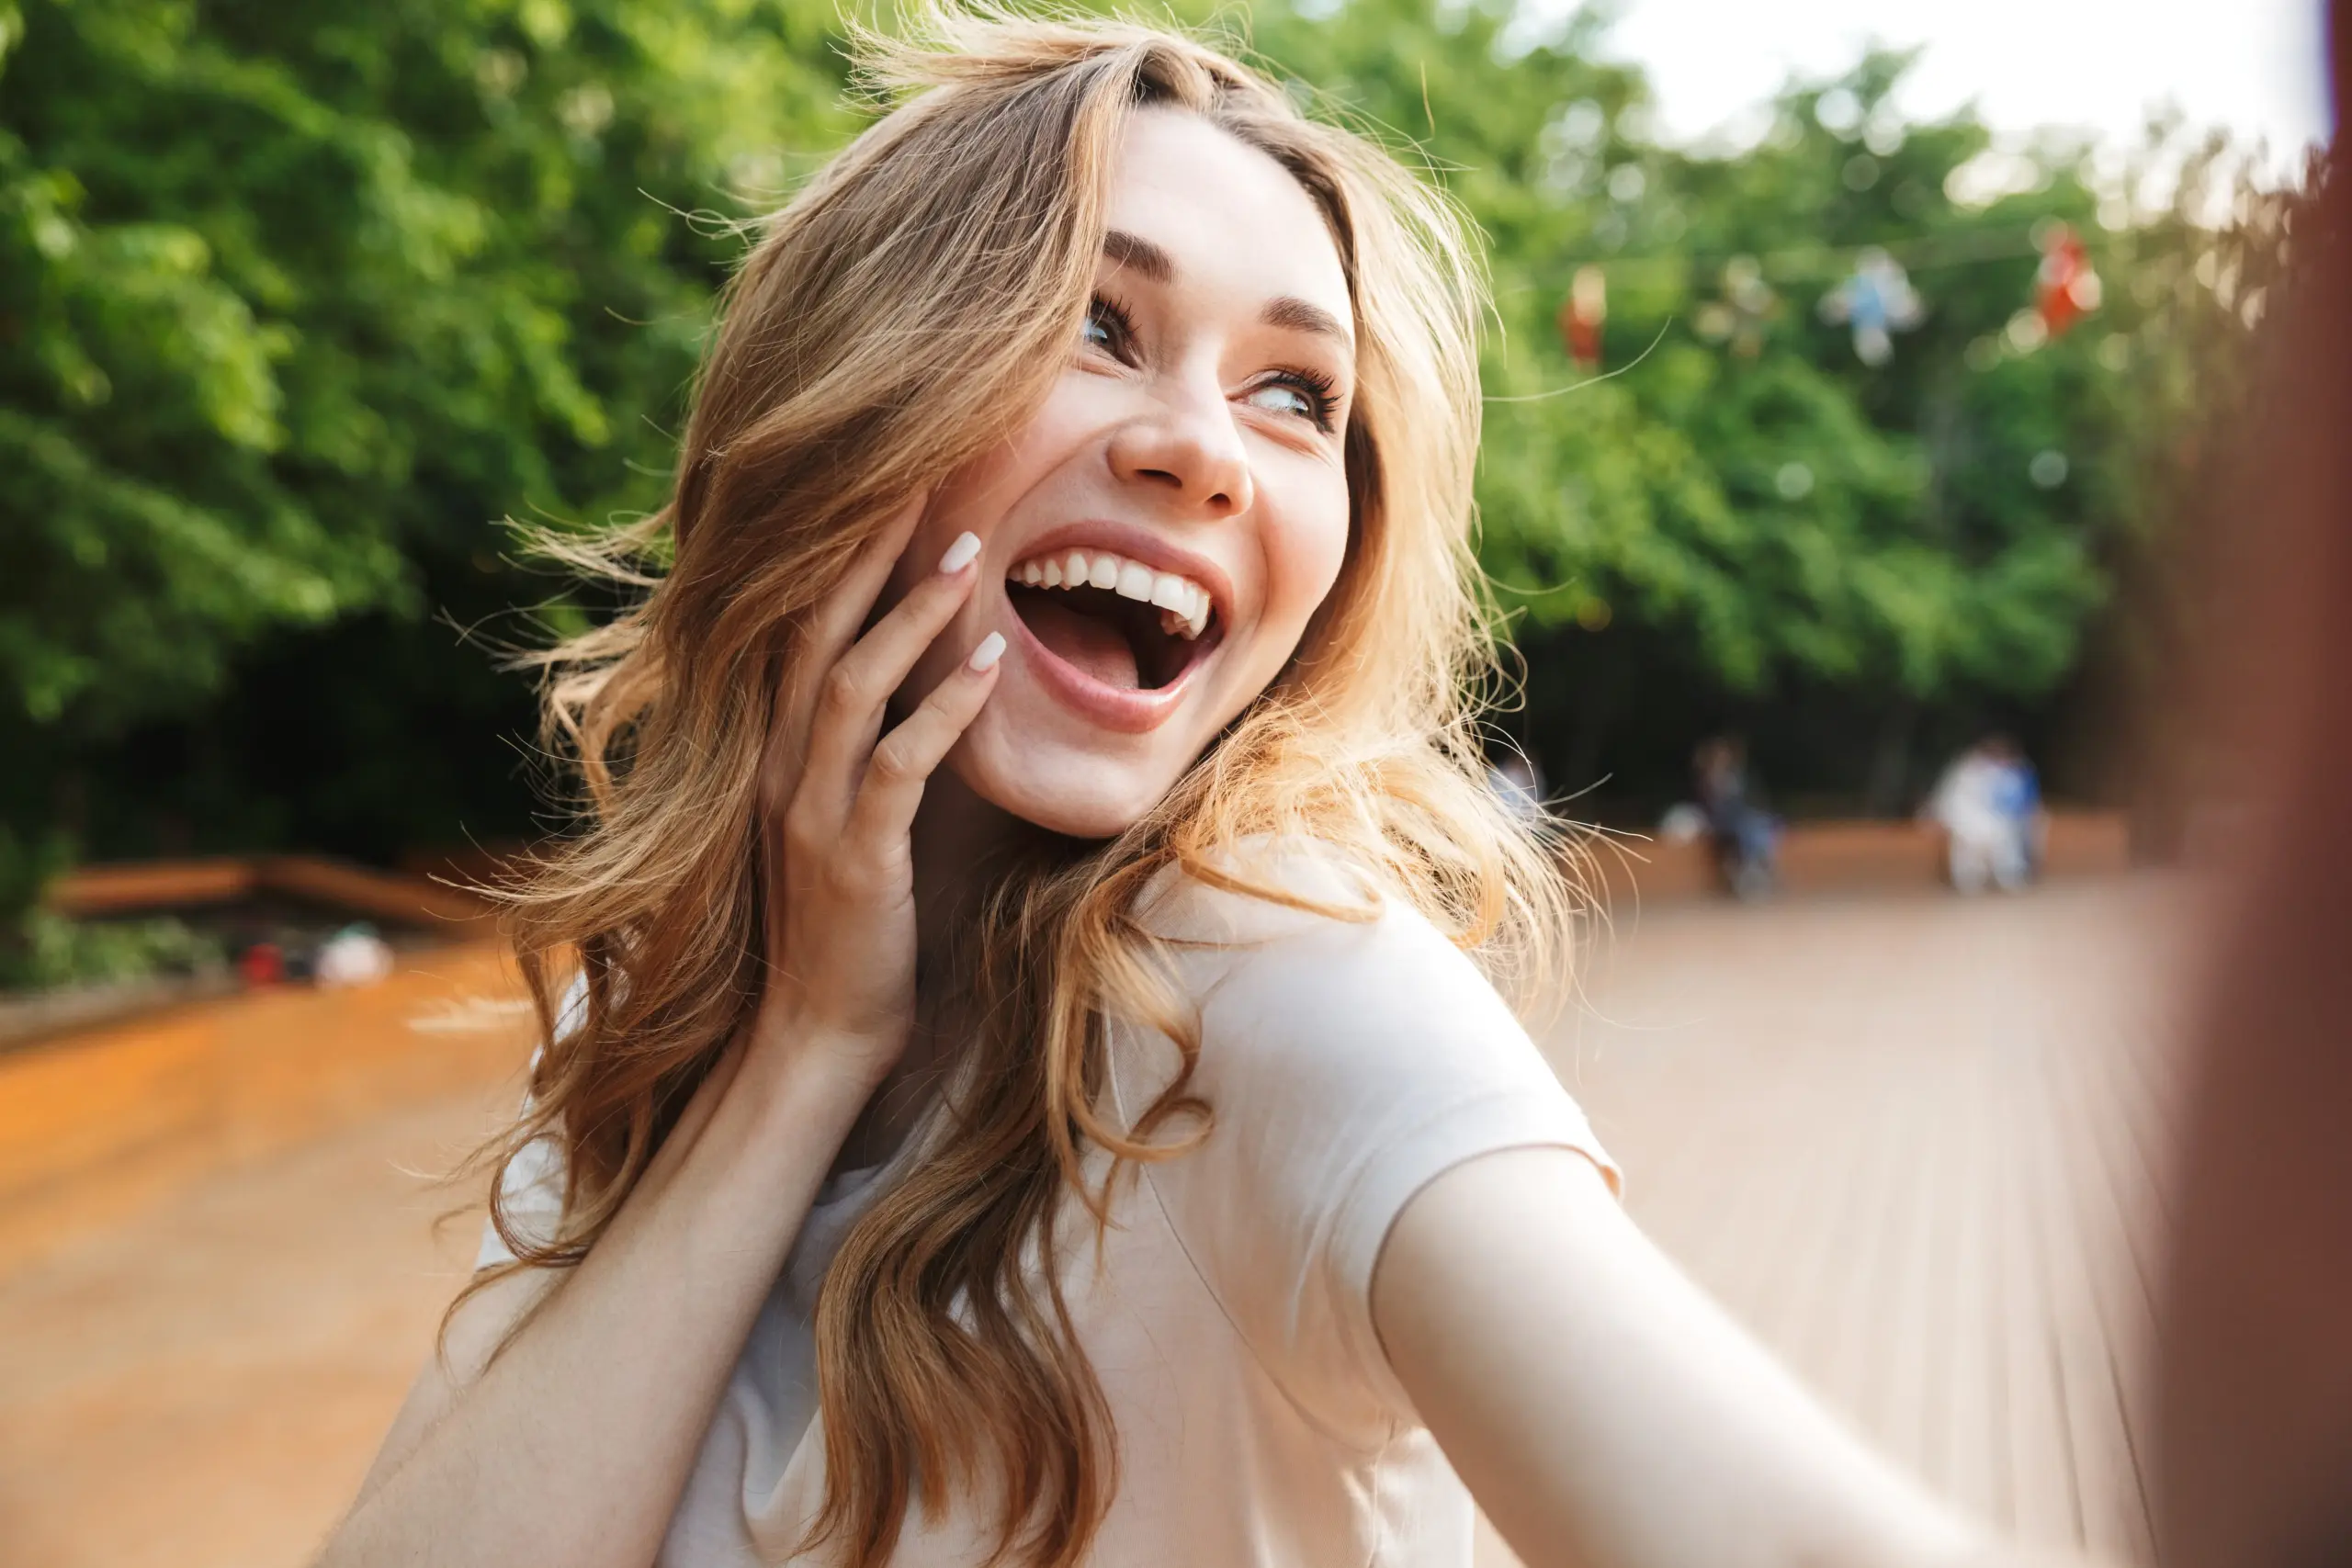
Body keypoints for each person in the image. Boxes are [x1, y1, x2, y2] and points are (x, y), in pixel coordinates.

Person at [324, 14, 2075, 1568]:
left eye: (1297, 393)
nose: (1202, 446)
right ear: (847, 396)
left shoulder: (1289, 994)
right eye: (1099, 321)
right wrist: (802, 1049)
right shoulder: (672, 1050)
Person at [1924, 739, 2030, 895]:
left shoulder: (1997, 772)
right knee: (1968, 851)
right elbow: (1948, 798)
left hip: (1988, 819)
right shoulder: (1966, 771)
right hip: (1963, 819)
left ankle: (2007, 878)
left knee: (2003, 844)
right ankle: (1970, 882)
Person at [1693, 735, 1779, 899]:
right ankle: (1753, 872)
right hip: (1722, 822)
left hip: (1741, 818)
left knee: (1761, 824)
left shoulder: (1737, 777)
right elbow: (1710, 807)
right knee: (1747, 827)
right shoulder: (1708, 780)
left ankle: (1756, 868)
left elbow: (1749, 800)